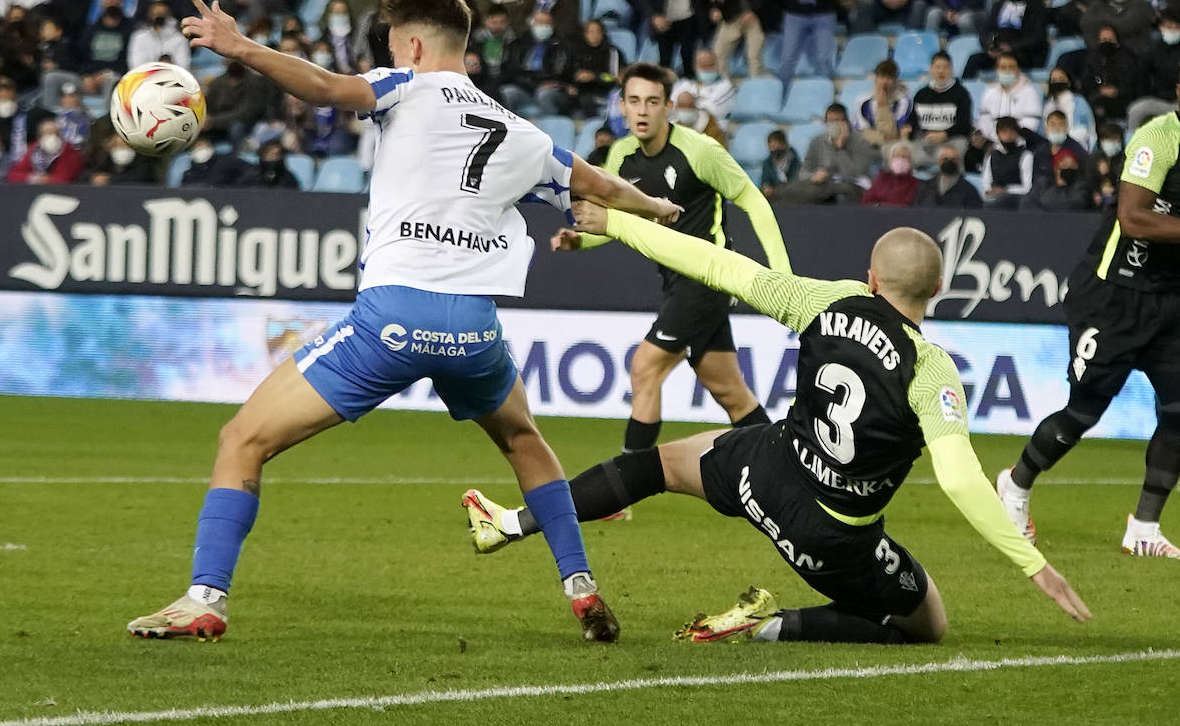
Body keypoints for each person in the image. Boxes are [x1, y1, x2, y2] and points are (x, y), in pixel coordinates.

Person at [128, 0, 680, 643]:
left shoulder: (405, 86)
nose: (388, 54)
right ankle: (581, 588)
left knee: (241, 439)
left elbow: (326, 88)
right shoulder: (524, 133)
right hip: (474, 332)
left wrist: (240, 46)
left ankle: (205, 598)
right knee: (524, 438)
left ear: (414, 45)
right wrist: (656, 208)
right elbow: (602, 184)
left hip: (390, 322)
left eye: (391, 43)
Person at [464, 214, 1091, 645]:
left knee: (652, 466)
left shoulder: (830, 300)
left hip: (765, 468)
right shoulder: (932, 370)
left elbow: (720, 265)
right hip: (831, 534)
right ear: (941, 288)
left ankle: (513, 522)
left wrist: (622, 225)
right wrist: (1033, 564)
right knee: (928, 625)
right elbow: (959, 478)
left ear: (872, 278)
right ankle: (767, 627)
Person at [997, 56, 1180, 559]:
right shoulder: (1155, 140)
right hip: (1112, 295)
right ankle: (1015, 484)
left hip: (1167, 303)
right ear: (1178, 90)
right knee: (1082, 413)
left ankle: (1144, 528)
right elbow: (1134, 218)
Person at [552, 62, 790, 453]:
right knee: (731, 393)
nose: (642, 110)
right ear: (622, 108)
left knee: (644, 370)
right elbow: (619, 222)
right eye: (634, 101)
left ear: (668, 107)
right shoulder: (621, 157)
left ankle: (623, 487)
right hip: (676, 283)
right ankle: (786, 468)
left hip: (708, 279)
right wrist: (580, 241)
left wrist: (783, 275)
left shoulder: (700, 151)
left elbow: (754, 202)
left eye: (652, 101)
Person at [779, 101, 878, 204]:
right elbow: (804, 171)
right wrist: (814, 176)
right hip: (823, 186)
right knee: (792, 191)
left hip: (853, 186)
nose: (834, 125)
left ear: (846, 122)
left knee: (836, 193)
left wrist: (840, 148)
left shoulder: (860, 141)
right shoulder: (817, 141)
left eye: (837, 121)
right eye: (830, 121)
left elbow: (854, 175)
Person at [910, 51, 971, 167]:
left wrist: (944, 134)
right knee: (908, 152)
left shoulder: (961, 94)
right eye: (937, 67)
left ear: (951, 70)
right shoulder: (921, 94)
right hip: (926, 140)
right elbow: (913, 121)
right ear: (931, 69)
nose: (941, 71)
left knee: (954, 153)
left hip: (952, 139)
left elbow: (964, 125)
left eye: (945, 67)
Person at [914, 142, 981, 208]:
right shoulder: (925, 187)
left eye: (953, 159)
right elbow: (917, 211)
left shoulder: (969, 190)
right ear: (938, 161)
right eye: (945, 159)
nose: (949, 162)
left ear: (958, 161)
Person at [861, 140, 920, 207]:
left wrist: (880, 205)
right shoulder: (881, 178)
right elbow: (866, 200)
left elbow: (905, 205)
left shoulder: (915, 183)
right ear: (890, 159)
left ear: (911, 161)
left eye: (904, 157)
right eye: (896, 156)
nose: (900, 160)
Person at [760, 128, 800, 199]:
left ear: (784, 145)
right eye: (771, 147)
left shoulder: (794, 161)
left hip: (791, 196)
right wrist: (766, 187)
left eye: (776, 146)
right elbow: (765, 180)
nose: (774, 150)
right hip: (774, 196)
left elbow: (796, 181)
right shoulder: (767, 163)